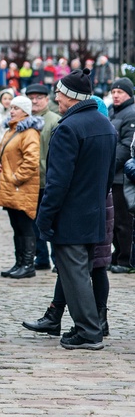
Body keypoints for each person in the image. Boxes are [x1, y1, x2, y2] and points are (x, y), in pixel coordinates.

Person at [35, 69, 116, 350]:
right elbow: (107, 177)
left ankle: (88, 331)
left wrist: (44, 218)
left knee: (75, 275)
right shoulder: (105, 124)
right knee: (82, 272)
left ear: (70, 97)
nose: (56, 96)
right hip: (94, 211)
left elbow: (57, 182)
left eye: (59, 92)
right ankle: (88, 327)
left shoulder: (68, 127)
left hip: (70, 216)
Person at [0, 96, 43, 279]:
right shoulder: (12, 130)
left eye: (16, 108)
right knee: (16, 226)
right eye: (11, 107)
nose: (11, 111)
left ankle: (28, 264)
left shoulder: (29, 132)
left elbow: (31, 161)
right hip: (11, 187)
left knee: (25, 226)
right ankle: (19, 262)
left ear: (25, 112)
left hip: (21, 188)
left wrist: (15, 178)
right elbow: (4, 153)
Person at [24, 84, 61, 270]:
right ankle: (41, 258)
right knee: (33, 223)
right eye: (31, 97)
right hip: (29, 182)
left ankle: (57, 259)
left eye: (39, 97)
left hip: (48, 180)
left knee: (52, 222)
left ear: (47, 99)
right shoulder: (25, 120)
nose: (35, 101)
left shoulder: (55, 121)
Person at [107, 77, 135, 273]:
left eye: (120, 92)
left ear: (129, 95)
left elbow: (125, 147)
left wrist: (107, 165)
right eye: (113, 92)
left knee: (123, 221)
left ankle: (125, 259)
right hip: (113, 175)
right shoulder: (112, 112)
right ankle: (117, 255)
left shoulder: (131, 114)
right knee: (114, 220)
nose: (116, 95)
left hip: (122, 175)